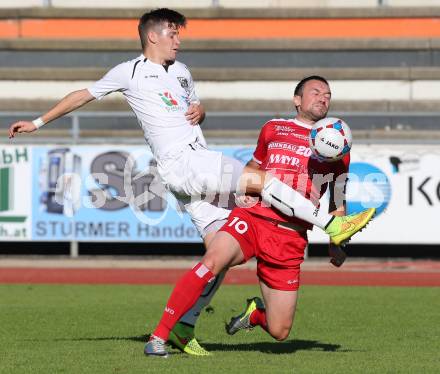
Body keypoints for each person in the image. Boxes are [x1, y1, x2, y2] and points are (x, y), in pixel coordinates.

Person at [8, 8, 374, 356]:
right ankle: (333, 225)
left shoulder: (181, 70)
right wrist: (37, 123)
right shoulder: (129, 72)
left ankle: (179, 329)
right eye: (172, 33)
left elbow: (193, 108)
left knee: (217, 257)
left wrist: (202, 110)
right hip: (184, 163)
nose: (177, 41)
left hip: (195, 169)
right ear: (152, 35)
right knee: (263, 181)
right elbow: (82, 95)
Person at [144, 75, 376, 357]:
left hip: (290, 236)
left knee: (280, 331)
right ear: (297, 100)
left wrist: (337, 246)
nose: (323, 98)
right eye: (315, 92)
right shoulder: (273, 128)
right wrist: (244, 193)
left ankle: (254, 314)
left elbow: (337, 201)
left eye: (327, 94)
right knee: (212, 262)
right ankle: (159, 335)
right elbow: (253, 167)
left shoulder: (338, 144)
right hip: (253, 218)